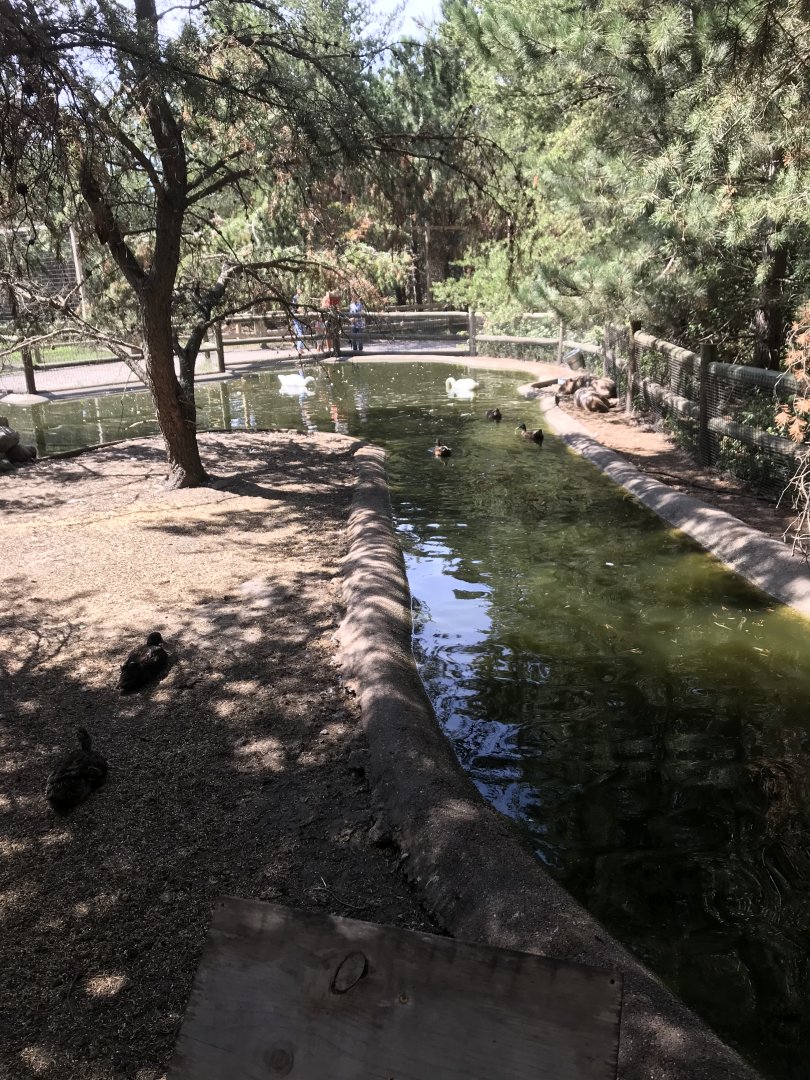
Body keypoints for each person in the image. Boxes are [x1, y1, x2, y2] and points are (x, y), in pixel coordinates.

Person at [321, 289, 342, 358]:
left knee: (336, 333)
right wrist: (327, 308)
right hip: (327, 317)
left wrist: (337, 309)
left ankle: (336, 349)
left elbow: (339, 308)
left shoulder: (337, 298)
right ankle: (329, 349)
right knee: (327, 333)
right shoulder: (325, 299)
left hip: (335, 318)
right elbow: (323, 307)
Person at [291, 290, 305, 357]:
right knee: (299, 331)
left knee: (302, 330)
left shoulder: (302, 298)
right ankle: (299, 348)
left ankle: (300, 347)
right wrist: (298, 311)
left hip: (301, 316)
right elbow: (294, 308)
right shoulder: (295, 298)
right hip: (296, 316)